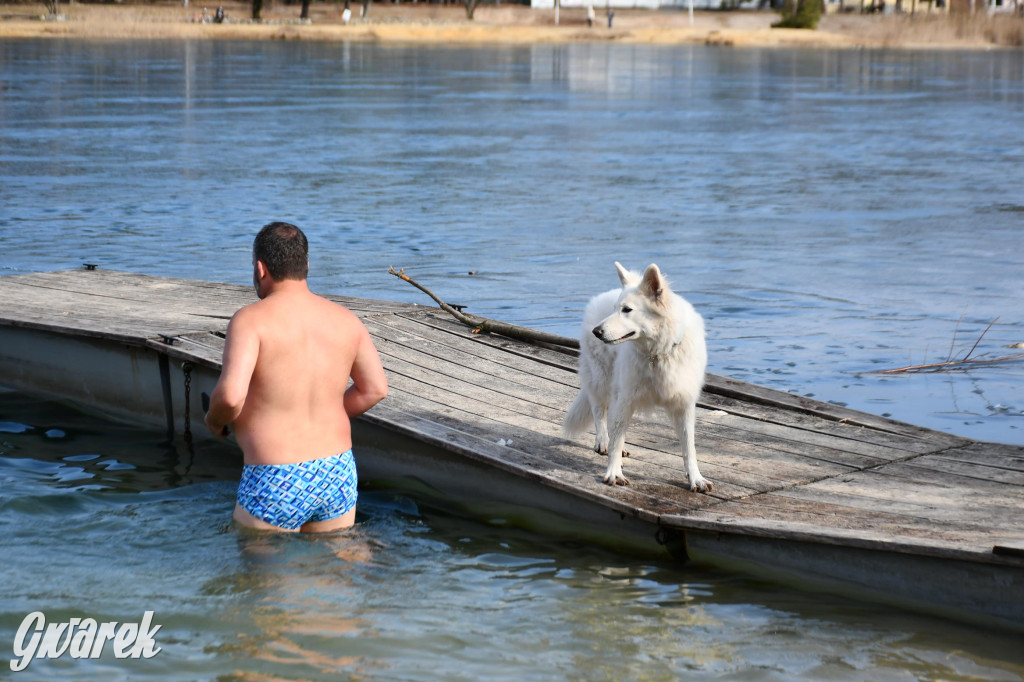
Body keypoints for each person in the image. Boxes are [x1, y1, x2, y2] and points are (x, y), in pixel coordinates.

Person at [205, 222, 388, 533]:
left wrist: (214, 420)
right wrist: (322, 412)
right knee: (336, 575)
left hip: (275, 475)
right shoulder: (346, 320)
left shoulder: (251, 320)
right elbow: (374, 389)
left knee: (261, 581)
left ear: (260, 269)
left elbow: (231, 397)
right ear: (306, 265)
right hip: (336, 470)